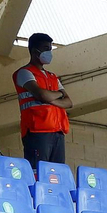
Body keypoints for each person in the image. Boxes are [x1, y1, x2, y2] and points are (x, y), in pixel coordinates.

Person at [13, 33, 71, 171]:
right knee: (38, 172)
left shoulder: (52, 76)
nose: (49, 52)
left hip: (57, 131)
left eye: (50, 48)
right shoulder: (24, 73)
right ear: (34, 51)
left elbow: (69, 102)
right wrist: (57, 95)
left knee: (57, 174)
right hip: (37, 130)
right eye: (46, 48)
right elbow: (41, 94)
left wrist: (49, 98)